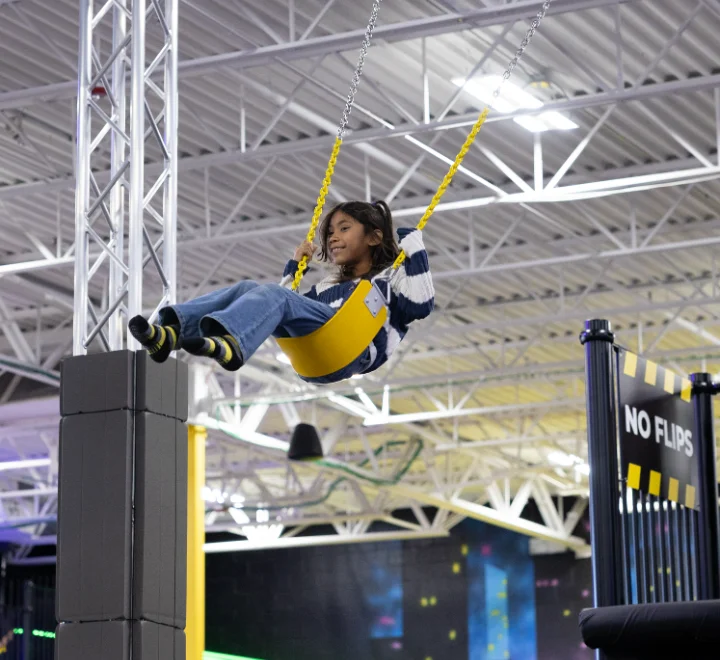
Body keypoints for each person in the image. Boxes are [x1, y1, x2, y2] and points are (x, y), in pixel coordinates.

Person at [128, 200, 435, 383]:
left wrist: (416, 252)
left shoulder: (390, 280)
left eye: (344, 229)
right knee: (249, 289)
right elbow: (279, 309)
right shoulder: (327, 287)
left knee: (275, 295)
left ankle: (232, 344)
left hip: (352, 349)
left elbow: (421, 305)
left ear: (374, 238)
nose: (333, 238)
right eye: (330, 232)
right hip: (316, 349)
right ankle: (172, 332)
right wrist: (294, 268)